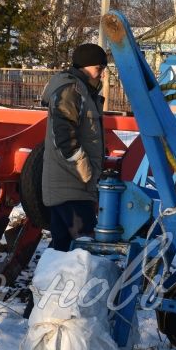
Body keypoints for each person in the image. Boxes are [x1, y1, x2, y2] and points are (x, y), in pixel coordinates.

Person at [40, 43, 107, 252]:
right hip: (72, 186)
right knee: (83, 248)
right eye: (99, 69)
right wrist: (85, 170)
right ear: (85, 67)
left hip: (72, 186)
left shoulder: (83, 91)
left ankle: (48, 282)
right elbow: (64, 136)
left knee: (62, 247)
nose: (102, 75)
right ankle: (77, 284)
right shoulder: (71, 90)